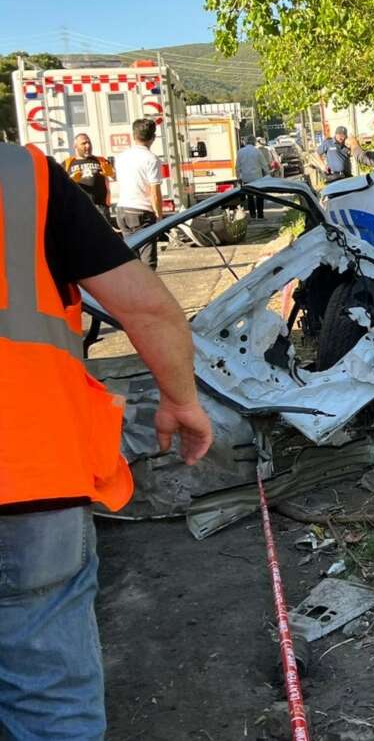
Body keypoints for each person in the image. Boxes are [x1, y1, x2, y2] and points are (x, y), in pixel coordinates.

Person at [0, 142, 213, 739]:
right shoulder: (23, 177)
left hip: (32, 479)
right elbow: (148, 310)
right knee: (49, 701)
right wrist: (181, 402)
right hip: (30, 476)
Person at [113, 118, 163, 270]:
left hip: (122, 209)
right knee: (148, 261)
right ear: (153, 137)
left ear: (133, 136)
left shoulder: (121, 157)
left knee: (132, 259)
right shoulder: (151, 159)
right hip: (142, 212)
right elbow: (154, 192)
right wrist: (159, 216)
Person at [63, 134, 115, 215]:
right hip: (77, 209)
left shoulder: (101, 161)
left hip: (100, 209)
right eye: (84, 143)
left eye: (89, 143)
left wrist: (112, 174)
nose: (88, 146)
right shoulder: (67, 164)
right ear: (75, 146)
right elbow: (60, 188)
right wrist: (70, 181)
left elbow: (119, 177)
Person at [235, 138, 267, 219]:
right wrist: (267, 175)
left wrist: (238, 177)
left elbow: (237, 167)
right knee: (259, 196)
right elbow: (264, 165)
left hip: (246, 178)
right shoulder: (257, 151)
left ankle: (252, 214)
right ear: (254, 142)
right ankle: (260, 214)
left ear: (246, 142)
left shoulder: (240, 152)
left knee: (250, 197)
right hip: (257, 178)